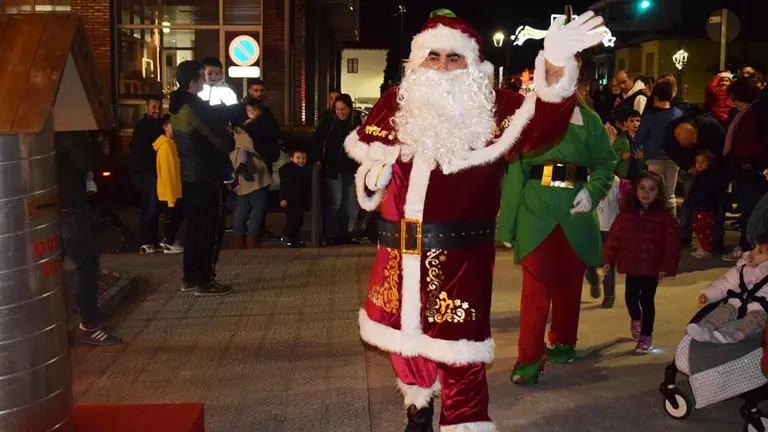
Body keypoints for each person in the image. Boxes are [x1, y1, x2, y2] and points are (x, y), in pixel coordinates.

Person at [345, 8, 608, 430]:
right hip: (396, 255)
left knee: (460, 353)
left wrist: (557, 65)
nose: (442, 67)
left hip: (459, 261)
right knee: (402, 341)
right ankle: (418, 407)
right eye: (433, 57)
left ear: (472, 64)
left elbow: (544, 122)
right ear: (418, 61)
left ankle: (463, 423)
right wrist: (372, 178)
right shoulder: (397, 103)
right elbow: (370, 169)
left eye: (454, 58)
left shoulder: (493, 108)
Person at [170, 60, 235, 296]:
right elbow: (220, 139)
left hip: (188, 174)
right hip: (206, 174)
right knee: (209, 229)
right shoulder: (194, 107)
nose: (204, 81)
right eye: (201, 77)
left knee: (193, 228)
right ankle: (205, 280)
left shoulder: (175, 106)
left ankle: (189, 277)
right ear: (193, 82)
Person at [57, 131, 123, 345]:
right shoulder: (70, 132)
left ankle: (63, 326)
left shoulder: (45, 131)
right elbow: (88, 159)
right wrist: (96, 142)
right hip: (71, 207)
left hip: (55, 206)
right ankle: (89, 326)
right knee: (86, 264)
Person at [603, 172, 681, 353]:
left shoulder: (664, 217)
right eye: (642, 188)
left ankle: (646, 334)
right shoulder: (626, 215)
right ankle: (636, 318)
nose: (646, 193)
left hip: (651, 267)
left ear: (659, 192)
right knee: (630, 298)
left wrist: (666, 267)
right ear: (635, 190)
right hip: (632, 265)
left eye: (652, 189)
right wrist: (608, 260)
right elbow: (614, 239)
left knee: (647, 300)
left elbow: (672, 245)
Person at [665, 113, 728, 251]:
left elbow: (724, 151)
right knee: (690, 201)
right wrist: (688, 165)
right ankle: (685, 235)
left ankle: (715, 241)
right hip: (693, 169)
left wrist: (708, 165)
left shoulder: (712, 129)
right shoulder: (672, 131)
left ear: (696, 136)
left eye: (691, 145)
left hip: (716, 172)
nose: (690, 148)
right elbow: (670, 148)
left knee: (715, 208)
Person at [687, 243, 768, 344]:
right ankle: (707, 328)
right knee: (724, 310)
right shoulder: (743, 266)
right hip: (737, 302)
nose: (753, 252)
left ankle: (737, 335)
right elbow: (727, 282)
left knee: (755, 319)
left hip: (760, 308)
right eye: (754, 248)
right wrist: (708, 294)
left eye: (759, 251)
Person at [724, 77, 766, 262]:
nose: (732, 103)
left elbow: (752, 143)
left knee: (751, 211)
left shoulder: (754, 114)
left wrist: (752, 163)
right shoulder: (744, 114)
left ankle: (748, 247)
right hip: (743, 169)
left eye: (734, 98)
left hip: (751, 170)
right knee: (748, 209)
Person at [317, 93, 362, 245]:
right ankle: (331, 234)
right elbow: (318, 140)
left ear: (349, 109)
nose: (340, 112)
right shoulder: (329, 123)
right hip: (333, 167)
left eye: (343, 109)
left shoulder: (354, 124)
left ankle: (344, 233)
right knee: (335, 201)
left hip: (349, 167)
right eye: (338, 110)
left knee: (347, 202)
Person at [636, 80, 684, 214]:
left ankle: (655, 221)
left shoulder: (649, 116)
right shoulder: (678, 114)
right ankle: (671, 222)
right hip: (673, 158)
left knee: (654, 193)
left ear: (655, 97)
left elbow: (639, 137)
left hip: (654, 157)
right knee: (670, 195)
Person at [130, 95, 164, 254]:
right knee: (150, 206)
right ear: (147, 108)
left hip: (154, 171)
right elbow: (141, 152)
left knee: (154, 207)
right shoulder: (142, 128)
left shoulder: (159, 125)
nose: (157, 111)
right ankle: (147, 241)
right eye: (154, 107)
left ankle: (152, 239)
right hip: (146, 172)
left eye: (159, 107)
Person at [585, 176, 621, 308]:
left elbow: (620, 204)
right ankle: (593, 279)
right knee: (589, 261)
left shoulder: (615, 181)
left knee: (608, 264)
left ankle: (609, 295)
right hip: (591, 227)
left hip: (609, 228)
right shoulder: (587, 179)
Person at [152, 114, 184, 254]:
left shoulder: (170, 144)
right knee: (173, 216)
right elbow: (168, 171)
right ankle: (169, 242)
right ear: (165, 127)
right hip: (170, 190)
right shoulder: (166, 146)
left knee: (175, 216)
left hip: (173, 188)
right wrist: (171, 196)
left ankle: (169, 241)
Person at [686, 151, 727, 258]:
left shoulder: (709, 177)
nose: (699, 164)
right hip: (698, 206)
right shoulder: (699, 175)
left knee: (705, 229)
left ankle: (706, 248)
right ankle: (703, 246)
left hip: (705, 207)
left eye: (703, 162)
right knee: (699, 227)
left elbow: (705, 193)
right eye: (697, 162)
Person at [610, 107, 643, 201]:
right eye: (631, 121)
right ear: (625, 123)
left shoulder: (642, 140)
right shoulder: (621, 139)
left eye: (638, 121)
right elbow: (611, 157)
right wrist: (621, 156)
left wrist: (643, 156)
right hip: (624, 176)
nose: (635, 123)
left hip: (639, 175)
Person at [279, 149, 310, 247]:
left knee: (299, 220)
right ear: (291, 158)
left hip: (300, 199)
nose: (301, 160)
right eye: (298, 158)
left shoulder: (305, 170)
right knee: (292, 220)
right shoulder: (289, 171)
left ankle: (295, 238)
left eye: (303, 158)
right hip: (291, 200)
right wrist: (283, 198)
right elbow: (284, 185)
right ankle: (286, 237)